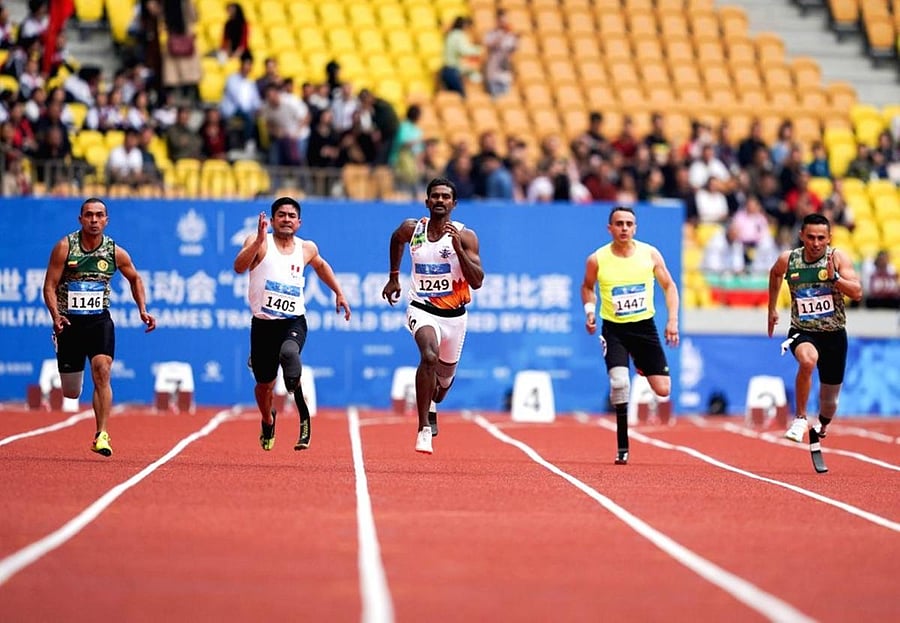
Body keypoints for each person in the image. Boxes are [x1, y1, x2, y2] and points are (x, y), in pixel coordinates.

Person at [233, 197, 351, 452]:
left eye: (291, 215)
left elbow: (321, 267)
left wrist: (338, 292)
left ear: (299, 222)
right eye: (281, 215)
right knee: (264, 385)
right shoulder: (259, 244)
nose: (286, 219)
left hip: (293, 321)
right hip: (263, 325)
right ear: (273, 220)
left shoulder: (306, 248)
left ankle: (303, 417)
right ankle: (268, 419)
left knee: (289, 355)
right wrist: (257, 242)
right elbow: (239, 267)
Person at [41, 198, 156, 456]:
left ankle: (101, 434)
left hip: (98, 320)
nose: (94, 220)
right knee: (71, 392)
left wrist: (143, 309)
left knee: (102, 369)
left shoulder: (114, 251)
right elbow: (49, 286)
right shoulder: (64, 247)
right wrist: (55, 315)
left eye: (99, 215)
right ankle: (62, 346)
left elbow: (135, 278)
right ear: (80, 219)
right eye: (89, 215)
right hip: (68, 322)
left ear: (106, 220)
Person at [381, 177, 484, 454]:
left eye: (445, 197)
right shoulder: (412, 229)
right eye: (435, 196)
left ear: (454, 203)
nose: (440, 200)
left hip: (455, 317)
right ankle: (423, 427)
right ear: (427, 202)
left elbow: (477, 281)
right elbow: (395, 238)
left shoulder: (465, 236)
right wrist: (393, 277)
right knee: (428, 356)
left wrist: (458, 250)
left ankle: (434, 402)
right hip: (421, 308)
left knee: (444, 382)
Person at [581, 206, 680, 465]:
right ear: (610, 228)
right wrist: (590, 311)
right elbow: (587, 287)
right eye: (619, 223)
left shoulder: (649, 254)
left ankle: (641, 363)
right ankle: (622, 446)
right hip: (614, 330)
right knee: (619, 383)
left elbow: (669, 286)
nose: (624, 228)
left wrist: (672, 320)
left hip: (644, 328)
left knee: (663, 389)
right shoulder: (597, 259)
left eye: (629, 224)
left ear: (635, 228)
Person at [767, 213, 862, 443]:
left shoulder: (837, 258)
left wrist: (835, 278)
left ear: (829, 238)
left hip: (834, 334)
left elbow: (857, 292)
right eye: (810, 237)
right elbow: (775, 274)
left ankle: (823, 424)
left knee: (830, 403)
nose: (815, 243)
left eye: (821, 238)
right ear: (801, 235)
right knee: (808, 361)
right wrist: (772, 309)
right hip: (803, 330)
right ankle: (800, 419)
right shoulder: (789, 259)